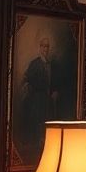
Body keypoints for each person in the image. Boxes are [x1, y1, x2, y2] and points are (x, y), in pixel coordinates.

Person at [15, 34, 57, 165]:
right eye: (43, 46)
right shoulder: (35, 63)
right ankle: (35, 144)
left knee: (47, 121)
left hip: (47, 99)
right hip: (36, 98)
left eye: (47, 46)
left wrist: (54, 91)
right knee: (37, 120)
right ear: (40, 48)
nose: (45, 49)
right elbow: (27, 79)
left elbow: (53, 82)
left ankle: (44, 145)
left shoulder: (51, 65)